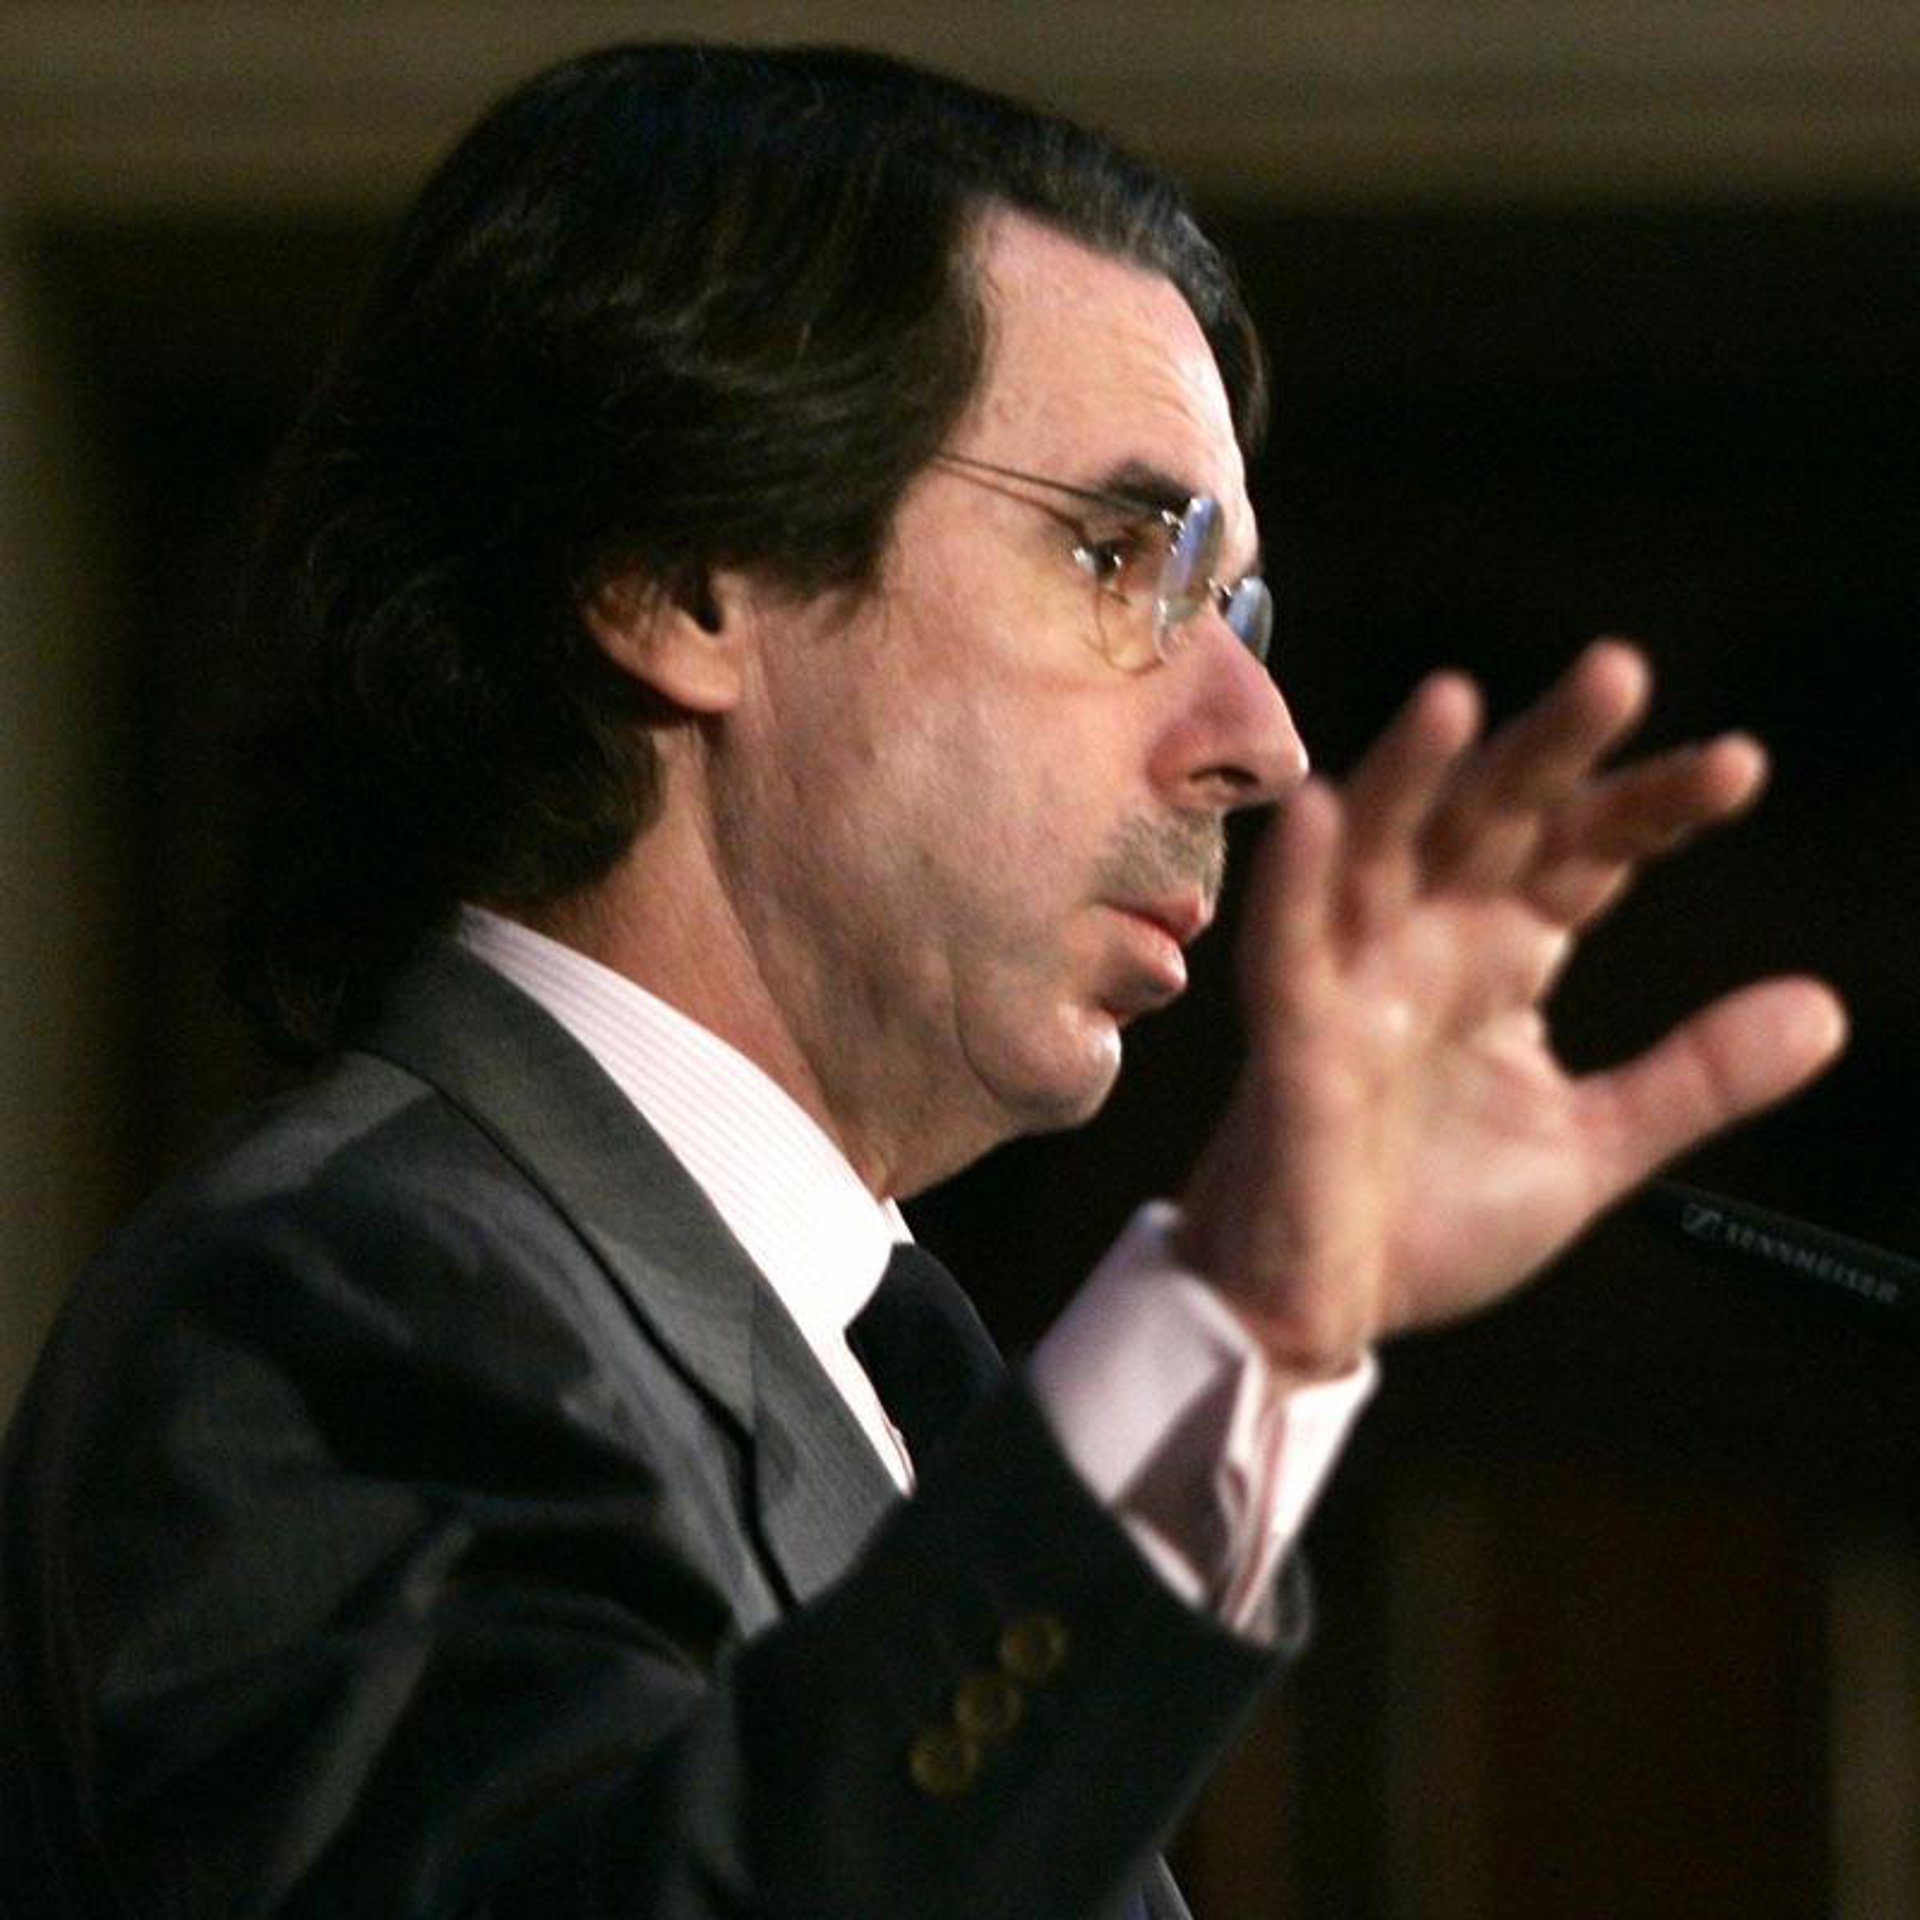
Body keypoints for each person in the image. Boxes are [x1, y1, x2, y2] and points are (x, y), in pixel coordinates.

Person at [0, 41, 1845, 1920]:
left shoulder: (897, 1378)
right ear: (679, 581)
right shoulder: (343, 1303)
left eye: (1236, 608)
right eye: (1119, 557)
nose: (1265, 735)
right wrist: (1242, 1318)